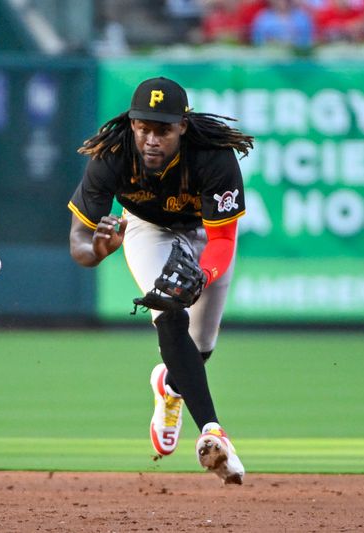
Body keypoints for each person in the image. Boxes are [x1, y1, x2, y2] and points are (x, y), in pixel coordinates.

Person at [67, 77, 253, 485]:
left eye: (162, 130)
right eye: (143, 128)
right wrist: (98, 250)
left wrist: (204, 275)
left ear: (182, 127)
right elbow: (78, 244)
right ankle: (213, 432)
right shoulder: (113, 153)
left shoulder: (213, 157)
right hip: (146, 229)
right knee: (169, 311)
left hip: (205, 235)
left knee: (198, 352)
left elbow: (222, 238)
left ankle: (168, 386)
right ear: (132, 124)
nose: (151, 139)